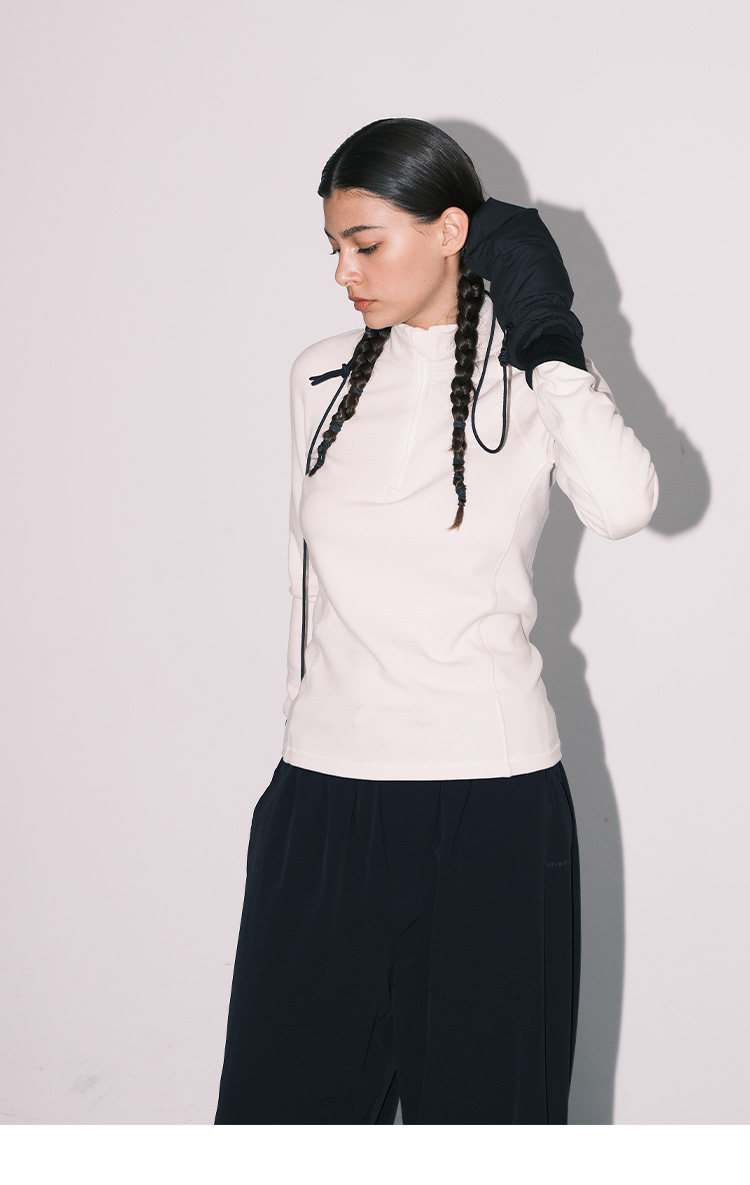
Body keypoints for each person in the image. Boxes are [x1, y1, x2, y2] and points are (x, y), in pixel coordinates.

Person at [213, 118, 658, 1125]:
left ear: (451, 230)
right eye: (334, 246)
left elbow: (626, 504)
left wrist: (548, 336)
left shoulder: (534, 381)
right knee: (279, 1120)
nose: (344, 271)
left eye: (366, 243)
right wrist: (298, 742)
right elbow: (305, 584)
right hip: (323, 801)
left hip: (488, 803)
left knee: (484, 1121)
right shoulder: (319, 374)